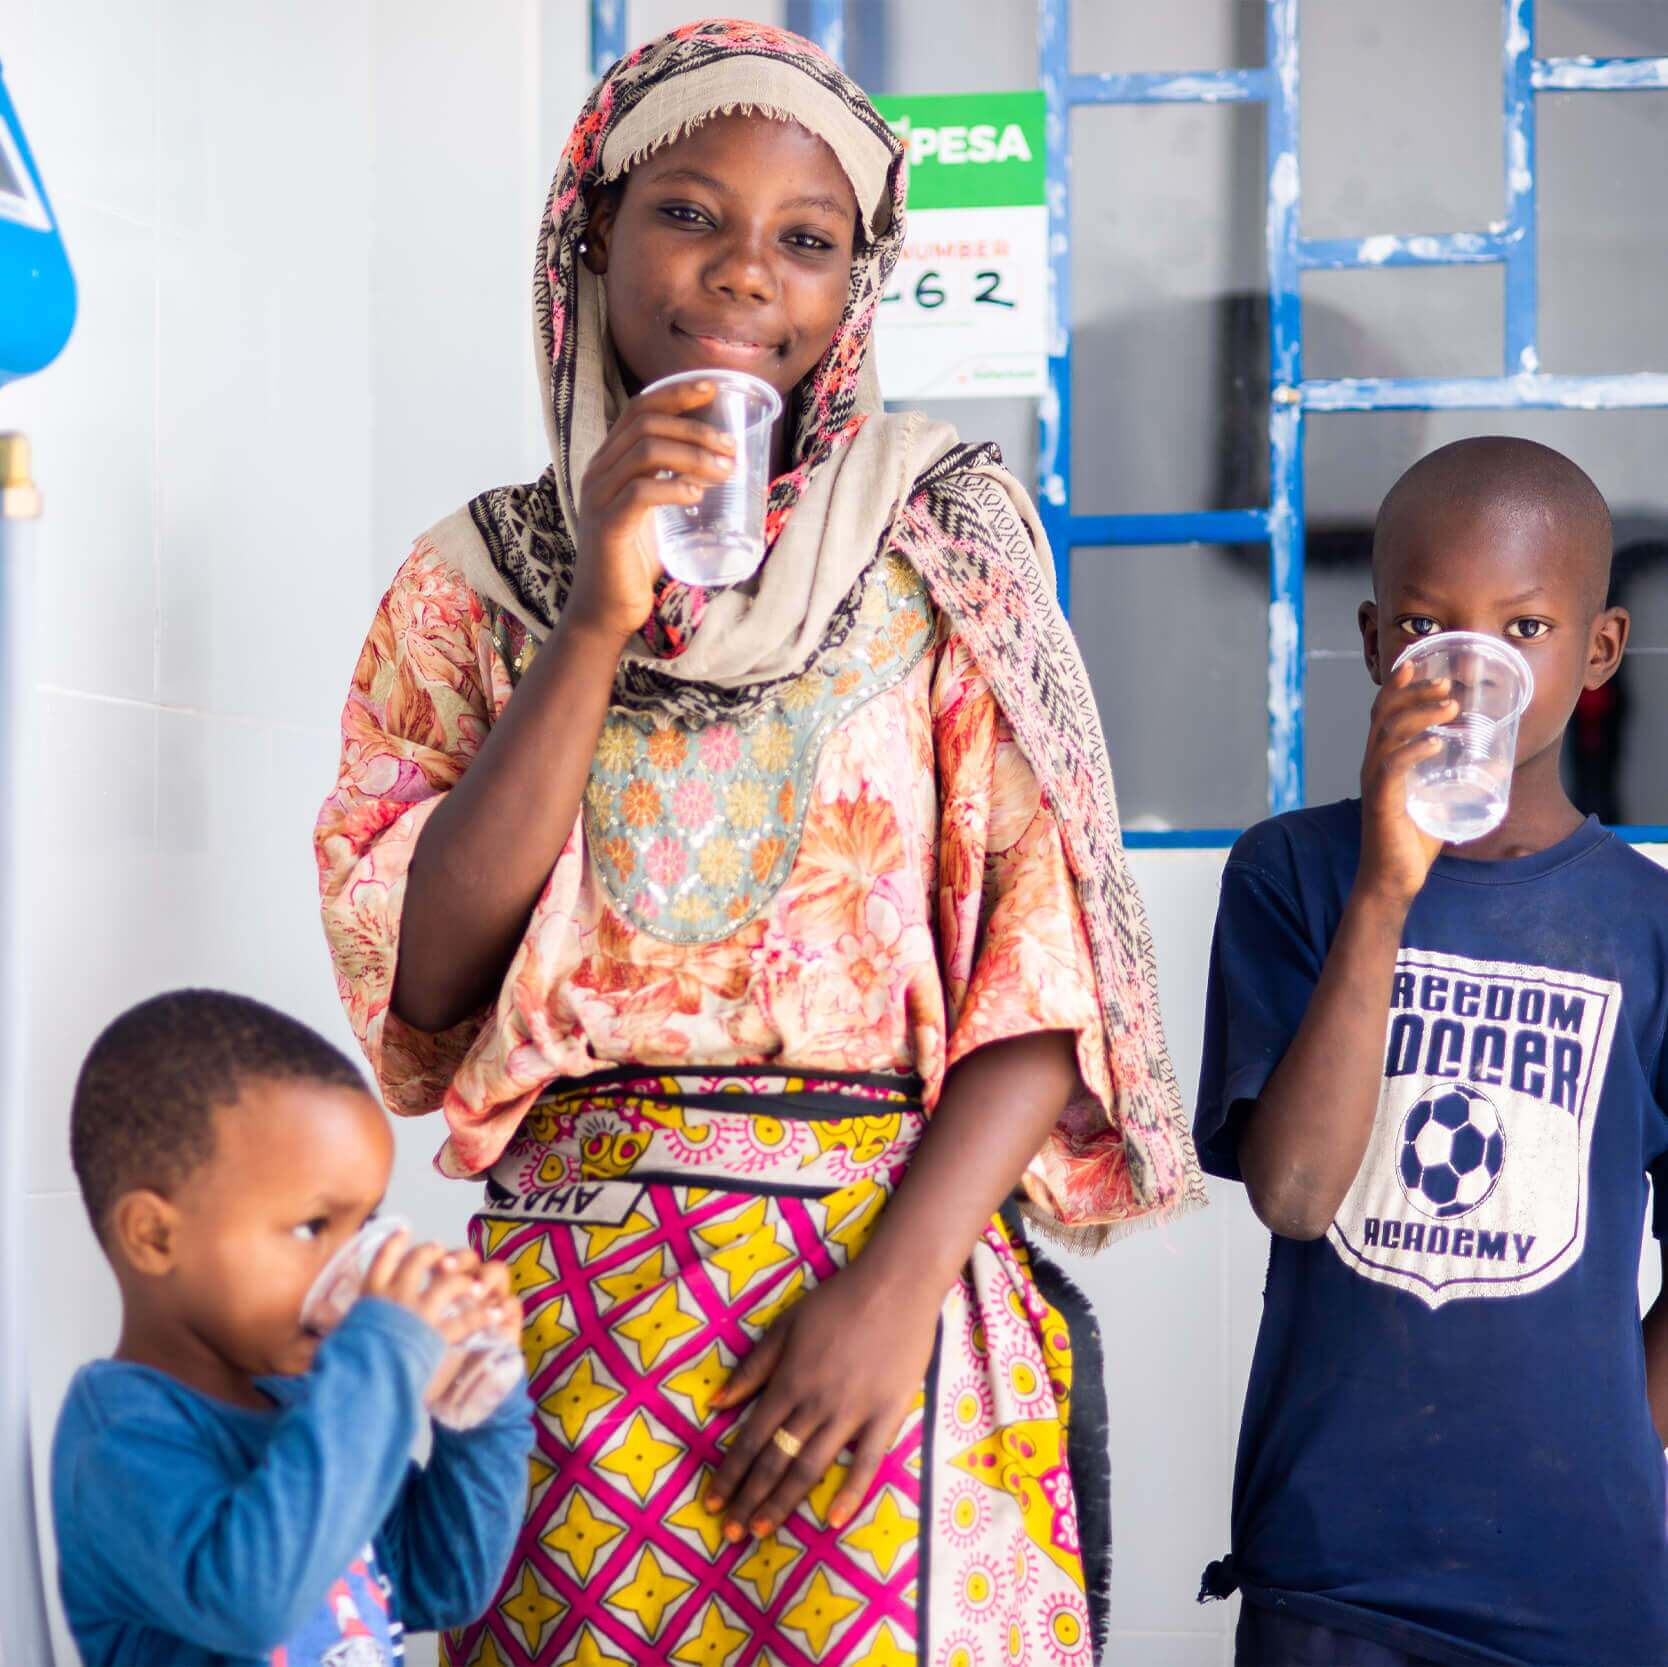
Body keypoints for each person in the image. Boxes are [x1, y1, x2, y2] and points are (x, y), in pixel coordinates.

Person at [315, 19, 1203, 1667]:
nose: (743, 274)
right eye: (687, 213)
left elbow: (1044, 970)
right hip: (576, 1333)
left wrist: (889, 1304)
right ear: (590, 232)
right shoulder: (478, 579)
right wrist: (591, 615)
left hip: (878, 1315)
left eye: (805, 242)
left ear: (851, 294)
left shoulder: (941, 542)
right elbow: (429, 981)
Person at [1194, 436, 1668, 1666]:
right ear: (1372, 645)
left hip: (1583, 1592)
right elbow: (1296, 1194)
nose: (1471, 673)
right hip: (1334, 1569)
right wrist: (1386, 892)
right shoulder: (1293, 873)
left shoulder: (1645, 923)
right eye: (1427, 626)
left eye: (1523, 629)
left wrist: (1611, 1428)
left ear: (1599, 648)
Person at [51, 989, 532, 1667]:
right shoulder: (119, 1434)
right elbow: (252, 1602)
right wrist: (383, 1355)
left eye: (362, 1224)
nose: (350, 1264)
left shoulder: (314, 1401)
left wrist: (478, 1416)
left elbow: (439, 1583)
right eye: (313, 1226)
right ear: (155, 1236)